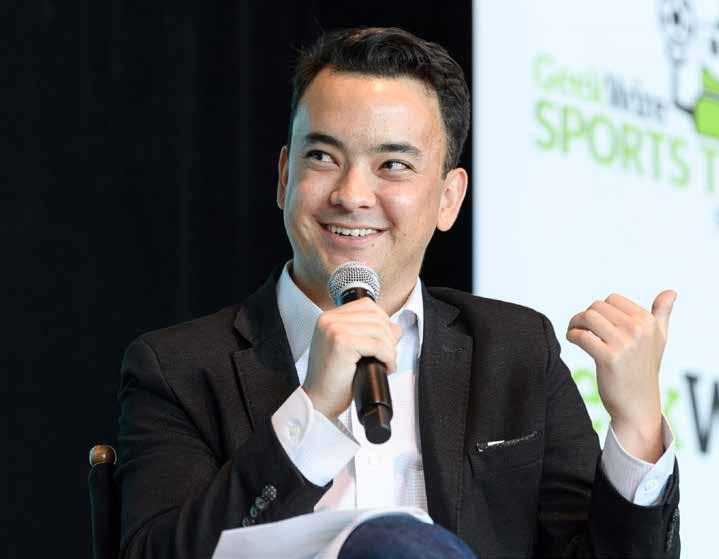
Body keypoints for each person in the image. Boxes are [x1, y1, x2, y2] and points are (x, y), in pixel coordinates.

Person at [116, 27, 680, 558]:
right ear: (284, 177)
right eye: (322, 157)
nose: (352, 194)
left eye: (392, 164)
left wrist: (637, 429)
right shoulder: (179, 369)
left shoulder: (515, 351)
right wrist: (312, 411)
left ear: (448, 199)